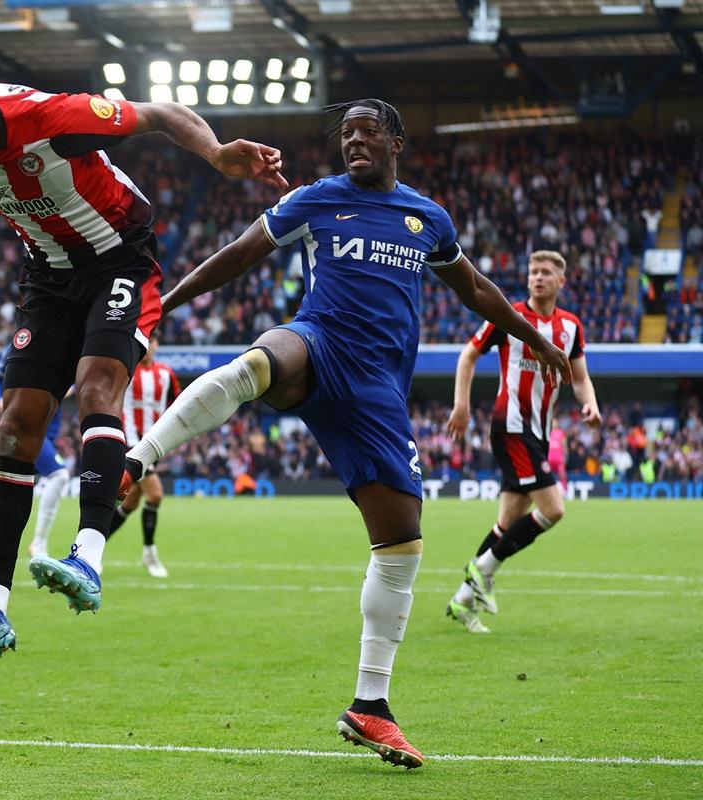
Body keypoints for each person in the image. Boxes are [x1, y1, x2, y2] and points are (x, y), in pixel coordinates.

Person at [115, 100, 572, 768]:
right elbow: (237, 255)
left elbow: (474, 289)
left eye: (366, 132)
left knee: (401, 547)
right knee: (259, 362)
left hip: (377, 389)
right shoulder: (314, 200)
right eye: (346, 135)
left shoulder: (427, 218)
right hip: (319, 340)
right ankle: (137, 456)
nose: (353, 141)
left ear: (397, 141)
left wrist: (535, 338)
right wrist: (160, 307)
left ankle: (371, 706)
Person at [0, 83, 285, 659]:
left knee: (98, 385)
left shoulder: (51, 118)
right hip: (47, 279)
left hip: (120, 260)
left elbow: (160, 113)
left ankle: (89, 556)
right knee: (15, 426)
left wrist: (218, 152)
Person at [444, 250, 601, 634]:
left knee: (508, 520)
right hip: (511, 424)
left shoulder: (570, 327)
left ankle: (463, 601)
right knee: (553, 509)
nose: (538, 278)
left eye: (546, 272)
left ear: (561, 281)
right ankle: (481, 570)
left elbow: (578, 378)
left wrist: (590, 404)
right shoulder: (507, 314)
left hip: (539, 432)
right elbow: (468, 356)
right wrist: (461, 405)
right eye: (533, 272)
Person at [0, 343, 72, 572]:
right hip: (27, 425)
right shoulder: (21, 340)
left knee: (18, 493)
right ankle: (39, 543)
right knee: (59, 475)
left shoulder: (66, 337)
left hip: (48, 429)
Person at [109, 336, 180, 577]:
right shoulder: (127, 371)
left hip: (156, 443)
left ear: (157, 346)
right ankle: (150, 554)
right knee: (156, 495)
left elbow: (178, 403)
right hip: (131, 445)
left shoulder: (166, 374)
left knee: (130, 503)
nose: (149, 347)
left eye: (153, 343)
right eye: (145, 343)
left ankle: (90, 551)